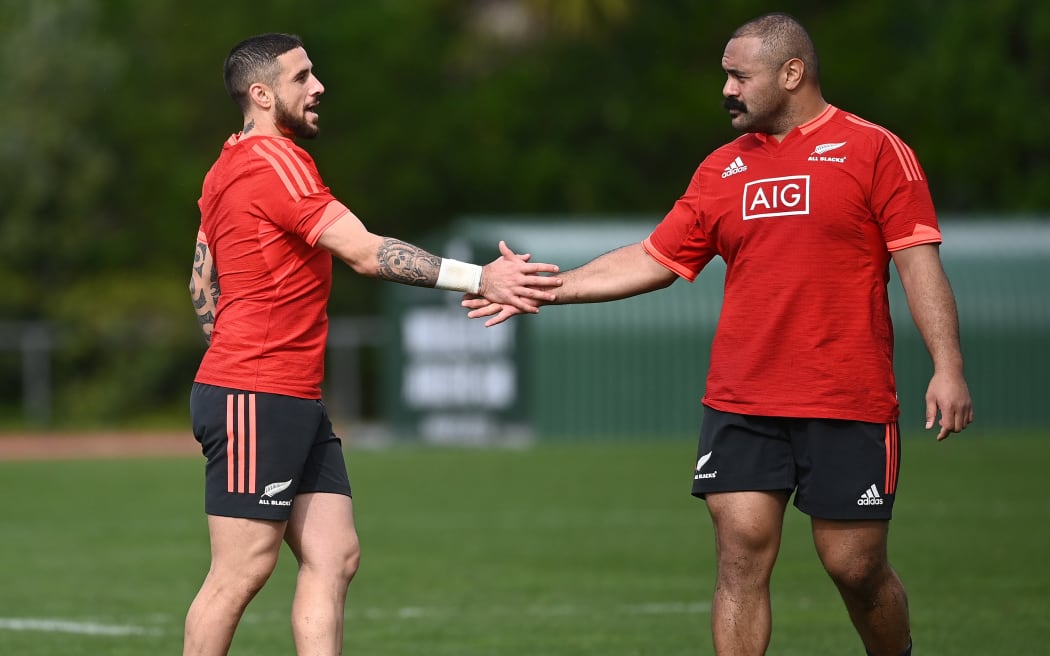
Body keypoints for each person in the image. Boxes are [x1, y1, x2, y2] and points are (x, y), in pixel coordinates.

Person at [464, 12, 973, 656]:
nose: (726, 90)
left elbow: (918, 263)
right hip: (742, 400)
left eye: (739, 76)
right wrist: (544, 286)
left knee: (854, 567)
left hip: (845, 398)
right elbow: (653, 258)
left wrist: (947, 367)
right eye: (724, 76)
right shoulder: (722, 170)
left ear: (793, 74)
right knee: (738, 562)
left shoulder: (874, 150)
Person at [185, 32, 561, 656]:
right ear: (261, 93)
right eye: (302, 77)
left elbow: (202, 278)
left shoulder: (227, 162)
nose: (318, 87)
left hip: (286, 393)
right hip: (257, 390)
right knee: (241, 571)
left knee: (335, 555)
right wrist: (481, 277)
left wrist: (233, 349)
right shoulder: (273, 162)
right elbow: (364, 251)